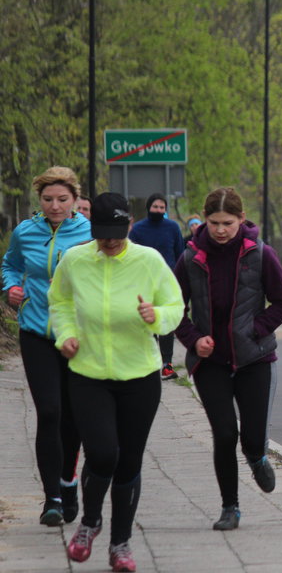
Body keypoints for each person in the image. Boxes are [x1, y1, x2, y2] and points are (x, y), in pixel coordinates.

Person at [48, 192, 184, 571]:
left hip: (140, 376)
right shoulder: (75, 259)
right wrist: (65, 334)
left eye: (116, 234)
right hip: (88, 374)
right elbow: (59, 301)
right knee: (103, 453)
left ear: (129, 226)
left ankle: (120, 543)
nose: (109, 242)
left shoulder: (149, 260)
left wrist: (155, 315)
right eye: (102, 234)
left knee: (128, 462)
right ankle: (90, 521)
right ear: (92, 228)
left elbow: (175, 307)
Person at [174, 187, 282, 531]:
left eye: (228, 223)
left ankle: (256, 457)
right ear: (205, 220)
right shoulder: (190, 258)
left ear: (242, 219)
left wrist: (256, 329)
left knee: (251, 439)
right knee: (225, 434)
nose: (221, 230)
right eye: (214, 223)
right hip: (210, 362)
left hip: (254, 359)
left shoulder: (261, 254)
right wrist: (194, 340)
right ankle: (230, 507)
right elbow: (172, 307)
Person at [1, 167, 91, 526]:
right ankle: (52, 497)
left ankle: (69, 482)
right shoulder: (25, 231)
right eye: (48, 199)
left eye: (62, 199)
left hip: (76, 335)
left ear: (75, 200)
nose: (55, 206)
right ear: (39, 199)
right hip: (36, 331)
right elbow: (10, 266)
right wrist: (11, 289)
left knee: (73, 415)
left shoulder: (89, 234)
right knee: (49, 411)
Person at [128, 193, 185, 381]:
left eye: (162, 208)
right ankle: (151, 361)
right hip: (144, 281)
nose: (158, 211)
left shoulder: (173, 227)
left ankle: (167, 364)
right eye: (155, 207)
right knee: (147, 321)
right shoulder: (138, 229)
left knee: (165, 322)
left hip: (167, 281)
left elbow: (180, 253)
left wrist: (180, 278)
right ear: (148, 208)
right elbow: (131, 254)